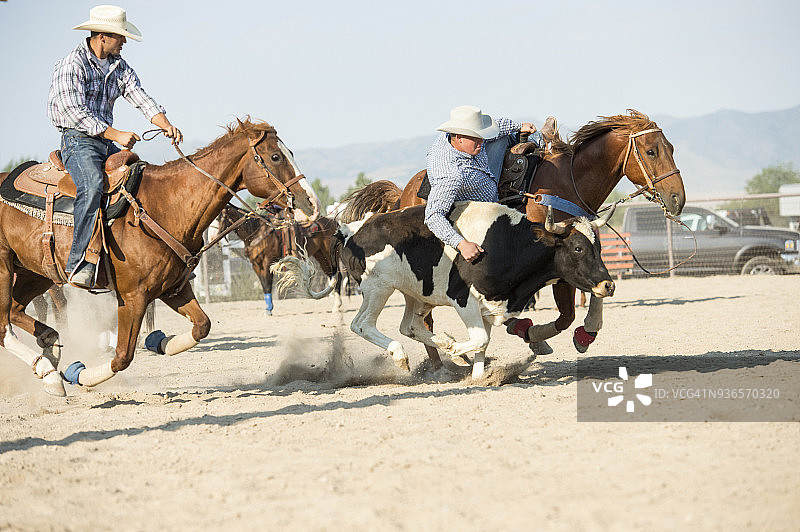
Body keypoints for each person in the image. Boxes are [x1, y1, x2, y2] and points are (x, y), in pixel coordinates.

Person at [47, 5, 183, 288]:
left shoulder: (118, 67)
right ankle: (78, 263)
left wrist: (165, 124)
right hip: (78, 141)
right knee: (93, 185)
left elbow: (140, 97)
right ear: (103, 37)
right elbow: (75, 113)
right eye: (121, 37)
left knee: (142, 178)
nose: (124, 42)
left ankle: (149, 257)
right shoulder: (72, 65)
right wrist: (117, 135)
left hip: (104, 141)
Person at [424, 105, 556, 262]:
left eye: (481, 135)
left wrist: (519, 126)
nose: (481, 140)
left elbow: (495, 127)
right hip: (482, 203)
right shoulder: (451, 175)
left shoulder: (461, 139)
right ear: (459, 137)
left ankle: (539, 138)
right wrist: (461, 244)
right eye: (476, 137)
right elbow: (433, 216)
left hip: (482, 171)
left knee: (500, 136)